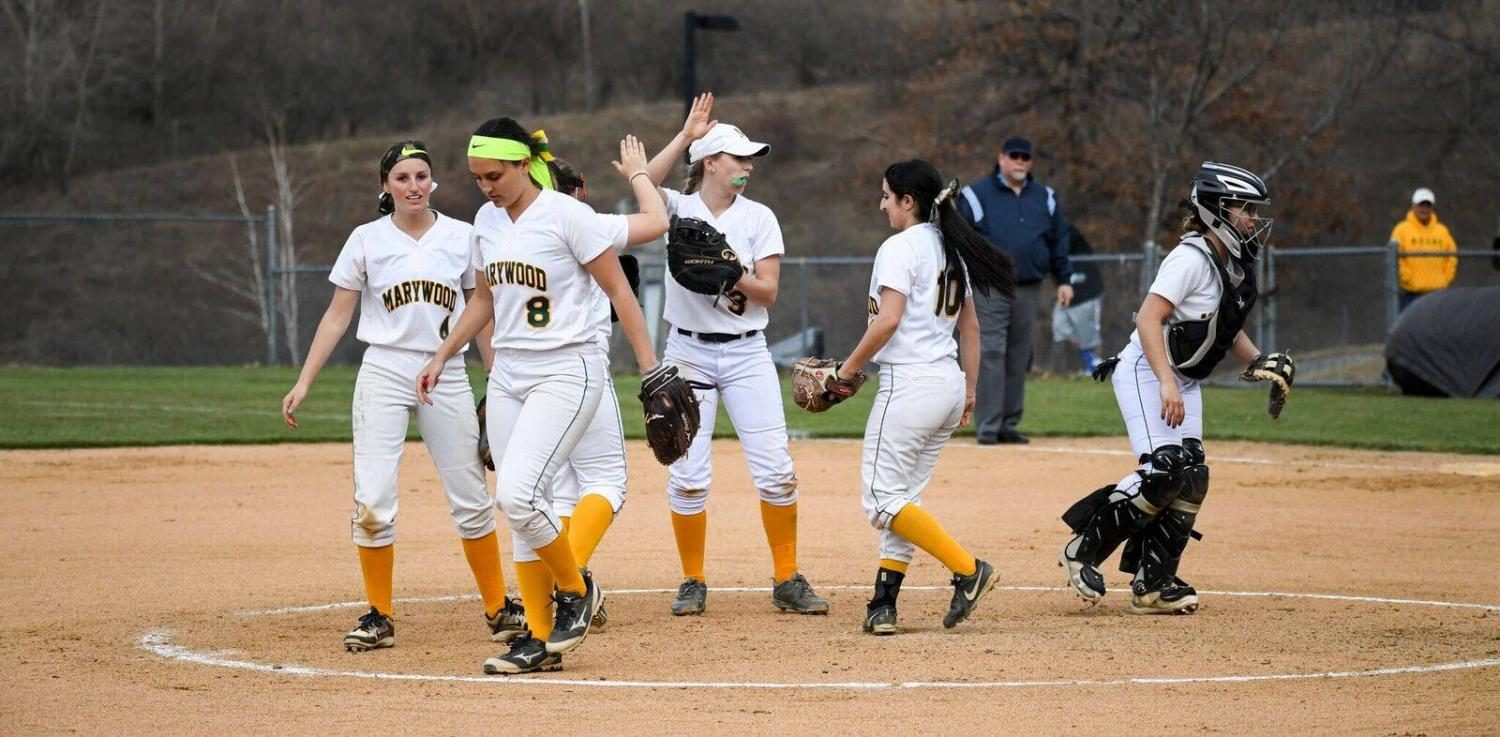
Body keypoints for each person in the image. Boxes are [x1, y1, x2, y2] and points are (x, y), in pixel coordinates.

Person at [414, 118, 665, 674]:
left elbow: (620, 293)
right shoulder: (486, 221)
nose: (487, 187)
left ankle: (576, 591)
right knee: (528, 509)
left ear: (525, 164)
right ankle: (538, 637)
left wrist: (650, 367)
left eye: (495, 175)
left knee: (519, 497)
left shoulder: (568, 217)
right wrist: (443, 352)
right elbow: (483, 299)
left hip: (566, 368)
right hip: (510, 375)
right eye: (478, 178)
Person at [279, 141, 523, 653]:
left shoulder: (462, 236)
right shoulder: (367, 239)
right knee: (372, 502)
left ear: (433, 181)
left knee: (472, 499)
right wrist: (305, 381)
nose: (413, 185)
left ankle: (499, 608)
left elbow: (481, 311)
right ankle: (379, 616)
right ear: (386, 186)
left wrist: (497, 378)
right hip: (384, 371)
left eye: (421, 176)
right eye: (402, 177)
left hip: (447, 370)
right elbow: (338, 315)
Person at [640, 92, 829, 617]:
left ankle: (787, 579)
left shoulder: (760, 217)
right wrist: (685, 136)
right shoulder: (679, 208)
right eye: (739, 157)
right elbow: (644, 183)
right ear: (711, 164)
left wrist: (725, 267)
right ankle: (692, 579)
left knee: (776, 471)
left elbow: (767, 292)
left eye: (751, 159)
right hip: (688, 353)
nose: (747, 165)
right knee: (688, 474)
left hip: (748, 353)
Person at [1058, 162, 1273, 615]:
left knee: (1193, 476)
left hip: (1181, 379)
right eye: (1244, 209)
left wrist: (1258, 361)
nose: (1252, 219)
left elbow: (1225, 328)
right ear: (1217, 210)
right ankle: (1084, 550)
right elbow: (1148, 318)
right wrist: (1165, 382)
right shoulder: (1190, 258)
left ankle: (1153, 584)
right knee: (1163, 470)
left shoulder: (1229, 262)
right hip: (1146, 370)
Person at [837, 160, 1016, 635]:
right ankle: (883, 603)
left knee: (879, 499)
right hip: (948, 383)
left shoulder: (900, 247)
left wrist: (846, 370)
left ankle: (968, 568)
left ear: (908, 201)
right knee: (904, 499)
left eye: (886, 196)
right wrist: (971, 390)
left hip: (911, 384)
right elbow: (971, 327)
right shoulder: (951, 245)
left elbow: (888, 320)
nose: (882, 205)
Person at [537, 136, 668, 634]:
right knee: (606, 481)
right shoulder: (582, 222)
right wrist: (637, 174)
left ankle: (566, 580)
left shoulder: (511, 231)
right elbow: (656, 221)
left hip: (524, 375)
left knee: (554, 494)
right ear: (580, 191)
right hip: (579, 370)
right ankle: (568, 583)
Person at [957, 136, 1074, 445]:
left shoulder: (1045, 197)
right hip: (989, 286)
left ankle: (1008, 423)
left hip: (1029, 287)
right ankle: (989, 426)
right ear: (1001, 158)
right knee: (992, 351)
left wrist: (1064, 279)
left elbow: (1059, 240)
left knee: (1018, 355)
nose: (1020, 161)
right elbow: (959, 238)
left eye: (1025, 156)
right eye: (1014, 155)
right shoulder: (974, 195)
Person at [1390, 187, 1457, 312]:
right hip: (1412, 294)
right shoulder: (1402, 230)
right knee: (1411, 329)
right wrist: (1408, 278)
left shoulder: (1442, 230)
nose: (1424, 209)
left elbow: (1452, 256)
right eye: (1421, 205)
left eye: (1428, 206)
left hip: (1438, 293)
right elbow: (1395, 256)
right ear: (1413, 206)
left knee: (1437, 329)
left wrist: (1446, 278)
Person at [1051, 225, 1104, 374]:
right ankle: (1091, 360)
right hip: (1065, 294)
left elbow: (1064, 245)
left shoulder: (1070, 234)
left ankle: (1095, 367)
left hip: (1086, 293)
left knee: (1089, 336)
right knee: (1060, 328)